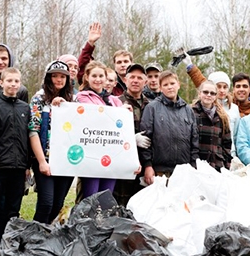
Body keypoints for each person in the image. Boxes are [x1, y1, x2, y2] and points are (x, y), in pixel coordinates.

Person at [0, 68, 30, 254]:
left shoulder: (25, 108)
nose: (13, 84)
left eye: (16, 81)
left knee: (12, 210)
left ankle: (6, 244)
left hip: (18, 168)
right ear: (1, 83)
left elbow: (27, 138)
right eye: (9, 80)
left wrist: (27, 165)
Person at [29, 60, 75, 224]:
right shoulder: (38, 99)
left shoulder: (73, 101)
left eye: (63, 76)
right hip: (45, 158)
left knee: (57, 204)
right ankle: (33, 238)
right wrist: (41, 161)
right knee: (46, 202)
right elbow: (33, 130)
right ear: (48, 78)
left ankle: (45, 238)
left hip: (66, 160)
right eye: (54, 76)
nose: (59, 80)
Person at [76, 60, 129, 198]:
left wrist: (124, 112)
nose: (98, 79)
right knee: (91, 197)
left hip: (111, 155)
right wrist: (119, 112)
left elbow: (122, 126)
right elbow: (96, 115)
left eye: (101, 76)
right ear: (87, 77)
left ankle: (103, 220)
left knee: (106, 198)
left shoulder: (115, 100)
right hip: (92, 155)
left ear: (106, 78)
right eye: (94, 76)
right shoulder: (82, 96)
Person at [140, 71, 199, 185]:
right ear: (160, 88)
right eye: (165, 85)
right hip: (159, 171)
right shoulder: (152, 108)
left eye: (172, 83)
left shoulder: (188, 110)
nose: (170, 87)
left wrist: (193, 165)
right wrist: (147, 165)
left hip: (184, 170)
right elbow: (145, 139)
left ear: (178, 84)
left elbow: (194, 140)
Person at [182, 53, 240, 156]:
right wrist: (190, 66)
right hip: (200, 155)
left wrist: (230, 158)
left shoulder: (234, 108)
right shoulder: (198, 109)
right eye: (218, 86)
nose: (221, 90)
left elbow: (235, 136)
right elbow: (201, 83)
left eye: (225, 87)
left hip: (226, 156)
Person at [114, 63, 151, 205]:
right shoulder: (115, 103)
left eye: (140, 78)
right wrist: (131, 139)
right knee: (120, 204)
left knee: (141, 206)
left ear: (145, 82)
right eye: (132, 77)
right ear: (125, 80)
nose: (135, 80)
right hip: (121, 164)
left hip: (145, 163)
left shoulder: (151, 105)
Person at [192, 80, 232, 171]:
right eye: (205, 92)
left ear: (215, 96)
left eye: (212, 93)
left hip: (216, 165)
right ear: (199, 93)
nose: (209, 95)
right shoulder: (191, 113)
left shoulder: (222, 116)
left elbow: (227, 143)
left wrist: (226, 165)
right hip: (197, 165)